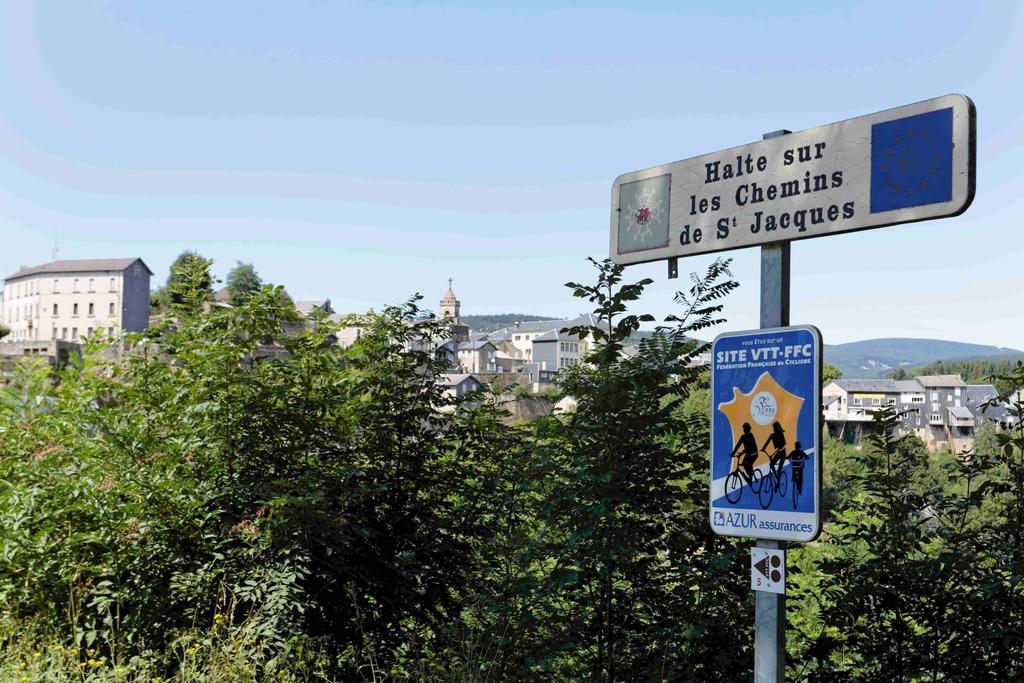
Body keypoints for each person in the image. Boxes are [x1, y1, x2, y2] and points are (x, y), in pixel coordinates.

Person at [762, 422, 787, 490]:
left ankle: (778, 483)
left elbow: (784, 444)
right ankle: (777, 479)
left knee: (779, 469)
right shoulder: (772, 435)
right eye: (773, 428)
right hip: (778, 452)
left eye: (774, 427)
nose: (773, 429)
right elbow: (768, 441)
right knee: (771, 464)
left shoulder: (780, 433)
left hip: (783, 453)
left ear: (777, 428)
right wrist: (763, 448)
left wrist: (777, 451)